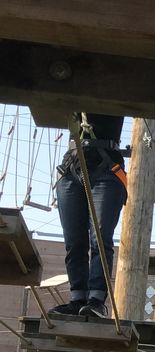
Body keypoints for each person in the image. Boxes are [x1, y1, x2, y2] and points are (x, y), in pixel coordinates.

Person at [48, 113, 127, 318]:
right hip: (72, 165)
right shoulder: (74, 98)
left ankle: (96, 300)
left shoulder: (117, 88)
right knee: (74, 241)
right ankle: (77, 299)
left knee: (99, 238)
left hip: (107, 166)